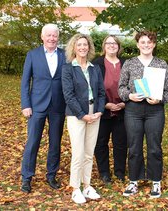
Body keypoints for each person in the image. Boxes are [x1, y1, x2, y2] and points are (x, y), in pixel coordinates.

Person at [118, 31, 168, 198]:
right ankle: (133, 181)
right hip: (133, 110)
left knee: (154, 147)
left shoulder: (161, 64)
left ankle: (156, 181)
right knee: (134, 146)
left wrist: (159, 99)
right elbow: (121, 88)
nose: (146, 45)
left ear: (154, 44)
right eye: (142, 42)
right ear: (137, 45)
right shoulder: (129, 63)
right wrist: (130, 96)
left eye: (149, 42)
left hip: (154, 111)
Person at [20, 23, 66, 193]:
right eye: (49, 35)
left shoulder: (64, 55)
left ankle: (51, 175)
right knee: (32, 142)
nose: (52, 38)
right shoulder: (32, 55)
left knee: (55, 142)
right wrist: (26, 105)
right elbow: (25, 82)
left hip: (58, 106)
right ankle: (26, 177)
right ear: (42, 36)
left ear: (58, 37)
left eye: (54, 35)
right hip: (36, 105)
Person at [62, 34, 106, 204]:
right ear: (74, 47)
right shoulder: (67, 68)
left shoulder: (94, 68)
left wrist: (99, 112)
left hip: (94, 113)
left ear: (89, 48)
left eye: (85, 45)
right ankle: (75, 188)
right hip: (76, 115)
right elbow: (68, 95)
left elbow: (101, 93)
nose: (82, 48)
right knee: (78, 153)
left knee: (89, 153)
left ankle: (87, 185)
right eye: (79, 45)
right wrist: (82, 115)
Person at [92, 35, 127, 184]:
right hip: (102, 109)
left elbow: (133, 84)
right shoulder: (96, 64)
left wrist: (126, 102)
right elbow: (92, 87)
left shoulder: (126, 63)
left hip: (123, 110)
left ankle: (119, 172)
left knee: (121, 143)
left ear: (119, 47)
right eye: (108, 43)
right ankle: (104, 172)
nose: (111, 45)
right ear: (104, 46)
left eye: (114, 43)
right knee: (101, 143)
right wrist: (105, 104)